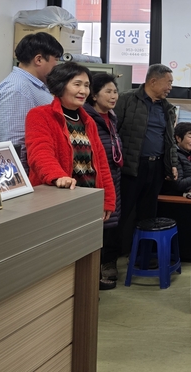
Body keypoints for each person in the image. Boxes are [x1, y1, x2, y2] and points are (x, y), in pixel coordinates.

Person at [24, 63, 116, 287]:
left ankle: (86, 295)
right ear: (60, 86)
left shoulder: (88, 121)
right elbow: (39, 152)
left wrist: (108, 199)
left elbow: (101, 164)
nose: (83, 91)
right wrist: (58, 176)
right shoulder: (40, 115)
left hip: (87, 200)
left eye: (86, 85)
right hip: (58, 200)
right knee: (58, 258)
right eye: (77, 84)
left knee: (86, 253)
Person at [114, 63, 178, 234]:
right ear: (153, 81)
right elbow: (113, 132)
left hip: (156, 167)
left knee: (148, 215)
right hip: (131, 168)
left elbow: (170, 140)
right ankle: (113, 251)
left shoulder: (167, 108)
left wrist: (172, 164)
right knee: (122, 213)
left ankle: (143, 250)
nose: (170, 88)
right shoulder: (126, 99)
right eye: (168, 83)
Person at [0, 32, 63, 170]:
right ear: (39, 60)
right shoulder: (17, 89)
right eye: (55, 60)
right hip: (28, 175)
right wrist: (21, 180)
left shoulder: (34, 86)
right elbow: (14, 145)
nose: (57, 65)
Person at [84, 73, 124, 287]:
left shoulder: (112, 118)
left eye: (115, 91)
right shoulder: (87, 118)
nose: (113, 96)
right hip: (95, 180)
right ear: (94, 95)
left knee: (112, 225)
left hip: (113, 176)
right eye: (108, 91)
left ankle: (107, 266)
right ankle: (93, 274)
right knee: (98, 225)